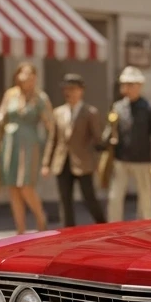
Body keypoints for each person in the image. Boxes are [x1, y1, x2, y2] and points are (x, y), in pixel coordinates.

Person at [0, 62, 54, 234]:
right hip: (10, 142)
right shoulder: (10, 94)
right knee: (13, 187)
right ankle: (20, 230)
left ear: (35, 77)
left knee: (26, 185)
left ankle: (40, 217)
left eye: (30, 74)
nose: (27, 77)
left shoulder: (40, 97)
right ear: (17, 76)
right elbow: (2, 113)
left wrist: (50, 152)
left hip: (29, 143)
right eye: (23, 73)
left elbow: (50, 124)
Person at [42, 74, 106, 227]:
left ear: (81, 91)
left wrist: (99, 161)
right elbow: (53, 139)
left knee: (89, 197)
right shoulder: (58, 112)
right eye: (66, 89)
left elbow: (97, 139)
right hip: (62, 160)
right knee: (65, 200)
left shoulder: (90, 112)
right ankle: (68, 230)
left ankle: (102, 224)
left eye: (73, 89)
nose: (69, 92)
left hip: (83, 161)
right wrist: (46, 163)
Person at [104, 67, 151, 223]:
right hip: (121, 157)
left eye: (131, 84)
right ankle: (113, 226)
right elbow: (110, 129)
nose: (127, 88)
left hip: (142, 159)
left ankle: (146, 225)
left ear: (139, 86)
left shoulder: (149, 107)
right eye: (125, 84)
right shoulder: (117, 106)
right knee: (115, 196)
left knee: (145, 198)